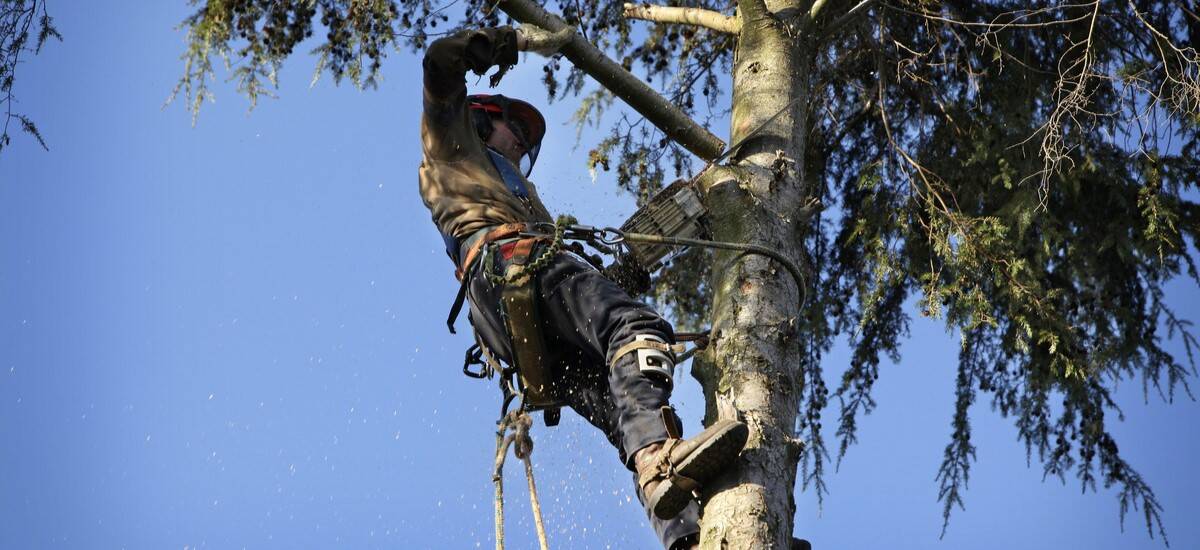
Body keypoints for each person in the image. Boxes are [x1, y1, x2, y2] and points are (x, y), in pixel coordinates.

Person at [417, 25, 748, 550]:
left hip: (519, 326)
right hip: (506, 265)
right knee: (637, 326)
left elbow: (574, 301)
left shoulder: (525, 200)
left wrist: (630, 270)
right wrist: (518, 42)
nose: (523, 146)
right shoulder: (451, 144)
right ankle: (660, 460)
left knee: (628, 414)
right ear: (479, 119)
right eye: (516, 133)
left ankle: (687, 533)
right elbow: (440, 60)